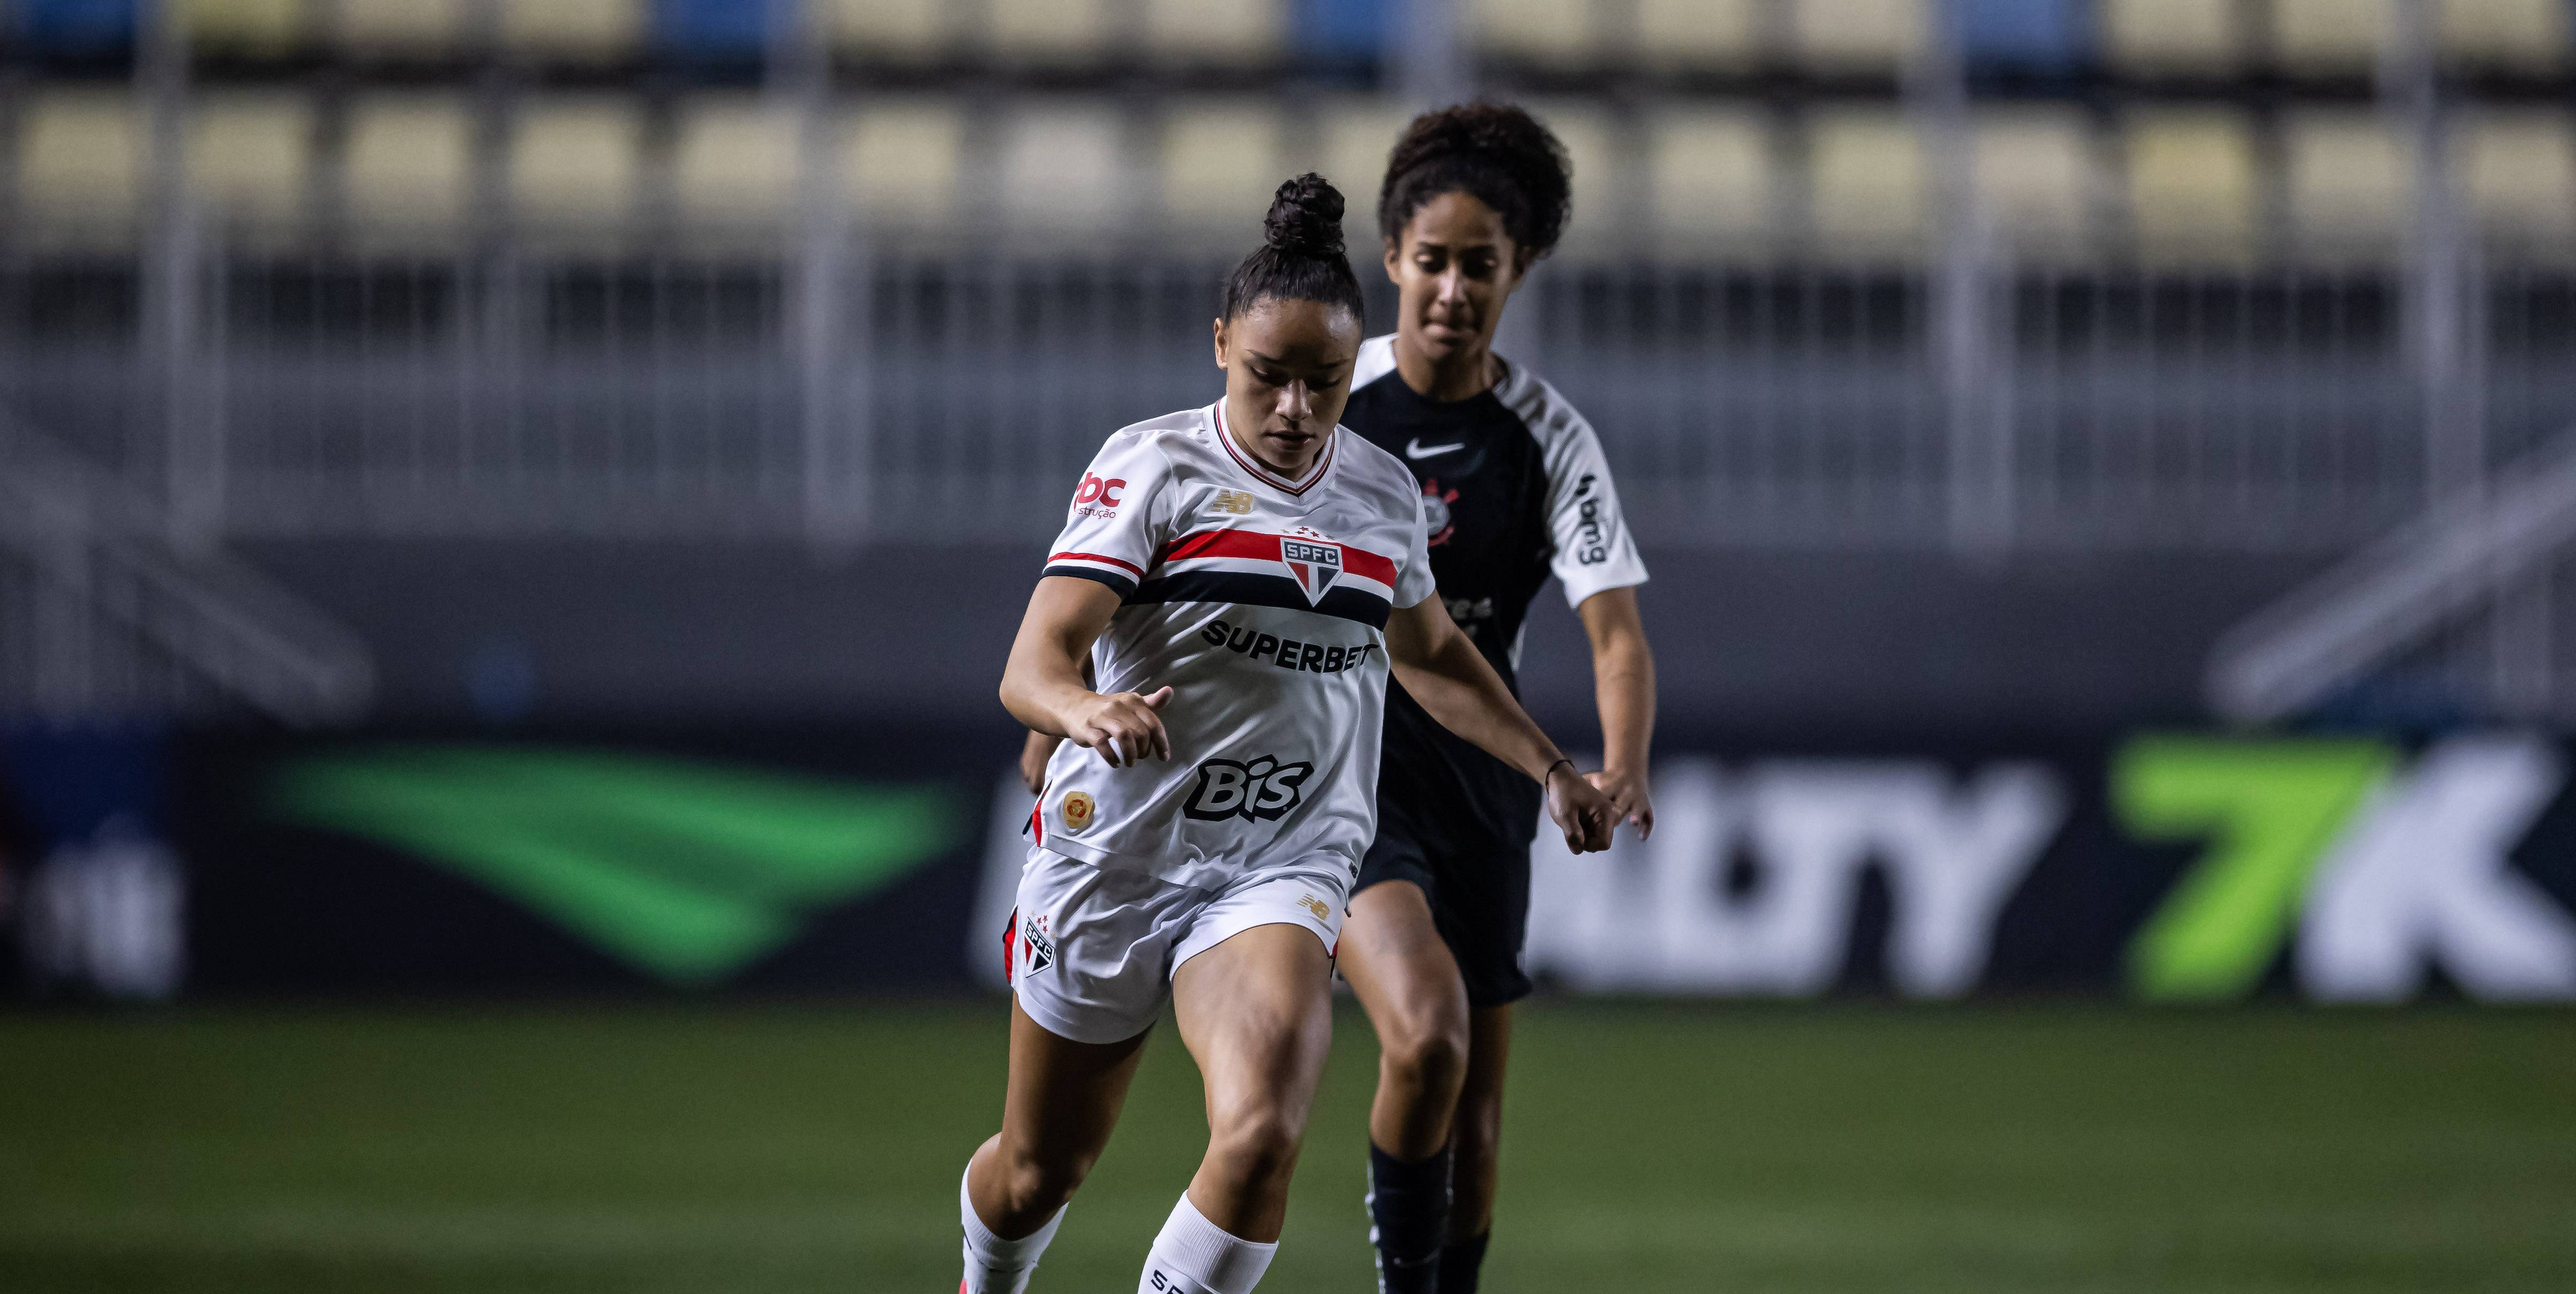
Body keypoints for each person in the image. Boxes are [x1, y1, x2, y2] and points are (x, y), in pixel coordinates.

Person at [965, 174, 1619, 1294]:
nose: (1296, 410)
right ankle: (989, 1275)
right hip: (1117, 851)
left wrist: (1550, 764)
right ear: (1221, 344)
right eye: (1269, 376)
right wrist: (1084, 709)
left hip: (1277, 858)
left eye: (1324, 382)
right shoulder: (1151, 469)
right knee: (1039, 1167)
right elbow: (1033, 662)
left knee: (1263, 1125)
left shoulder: (1377, 493)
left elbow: (1428, 654)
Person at [1339, 103, 1658, 1293]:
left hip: (1487, 783)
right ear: (1392, 259)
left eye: (1483, 264)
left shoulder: (1546, 439)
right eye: (1433, 260)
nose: (1454, 289)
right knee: (1424, 1031)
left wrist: (1618, 761)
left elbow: (1613, 631)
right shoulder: (1328, 405)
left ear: (1518, 269)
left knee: (1473, 1129)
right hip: (1347, 779)